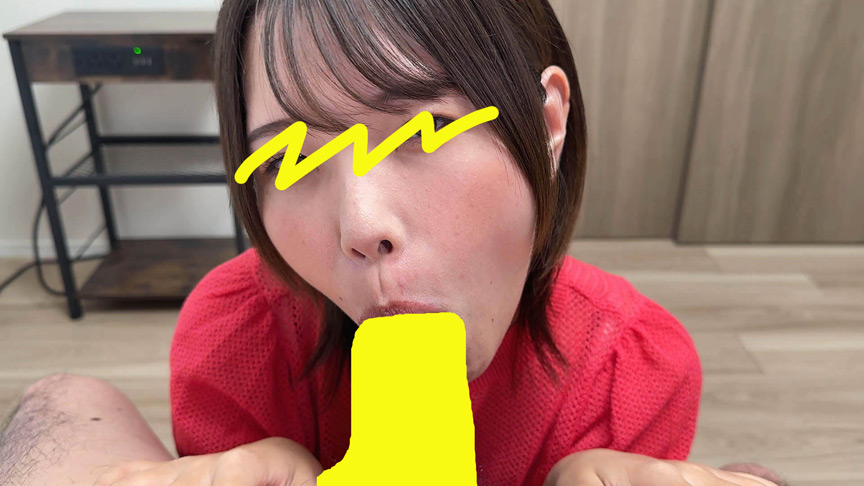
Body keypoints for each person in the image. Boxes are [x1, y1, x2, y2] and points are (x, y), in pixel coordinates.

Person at [0, 1, 786, 485]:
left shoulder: (634, 374)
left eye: (427, 129)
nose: (361, 226)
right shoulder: (232, 344)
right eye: (288, 159)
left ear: (546, 125)